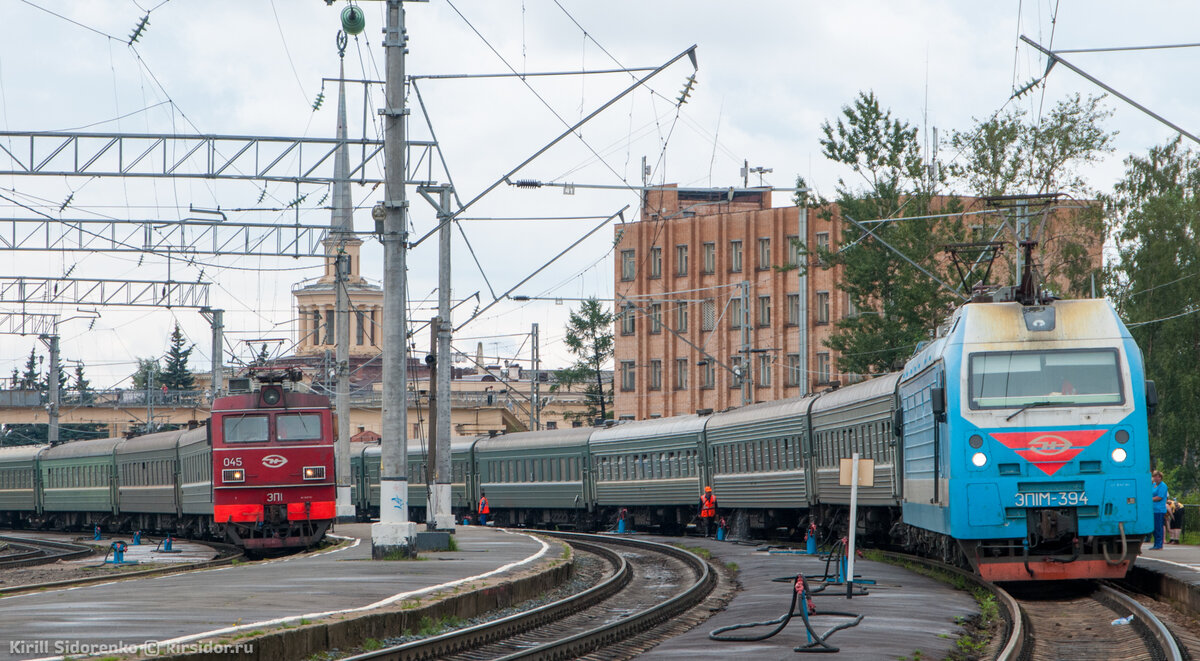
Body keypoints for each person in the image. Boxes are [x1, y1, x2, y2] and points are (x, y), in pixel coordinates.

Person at [1150, 470, 1168, 550]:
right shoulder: (1153, 485)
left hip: (1159, 509)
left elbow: (1160, 497)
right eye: (1153, 476)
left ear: (1160, 477)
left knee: (1158, 527)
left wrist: (1150, 499)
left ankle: (1159, 544)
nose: (1154, 478)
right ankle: (1155, 543)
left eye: (1156, 476)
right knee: (1154, 528)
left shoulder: (1163, 486)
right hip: (1153, 509)